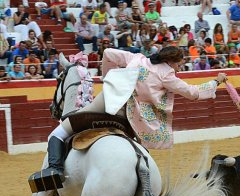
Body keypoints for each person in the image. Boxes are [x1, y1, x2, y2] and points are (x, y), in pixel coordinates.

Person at [29, 47, 228, 185]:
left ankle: (54, 169)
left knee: (58, 132)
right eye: (179, 63)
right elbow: (192, 93)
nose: (179, 67)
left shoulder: (137, 58)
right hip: (132, 118)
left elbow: (107, 53)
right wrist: (215, 82)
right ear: (170, 61)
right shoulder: (166, 75)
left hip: (108, 103)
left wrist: (109, 80)